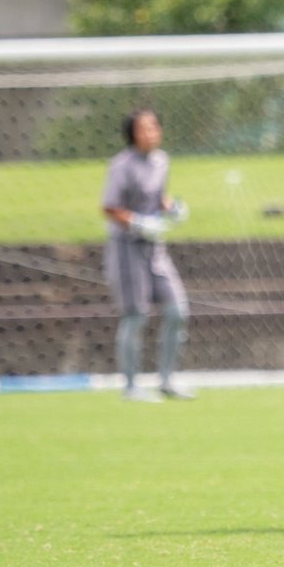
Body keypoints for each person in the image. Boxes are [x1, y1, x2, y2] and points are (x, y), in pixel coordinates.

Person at [101, 109, 193, 402]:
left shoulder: (162, 161)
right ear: (132, 134)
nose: (150, 133)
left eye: (154, 127)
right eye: (144, 128)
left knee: (178, 310)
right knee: (136, 316)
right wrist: (138, 222)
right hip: (127, 249)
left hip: (155, 249)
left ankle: (167, 380)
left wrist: (173, 207)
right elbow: (110, 207)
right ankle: (131, 386)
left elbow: (157, 198)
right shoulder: (121, 166)